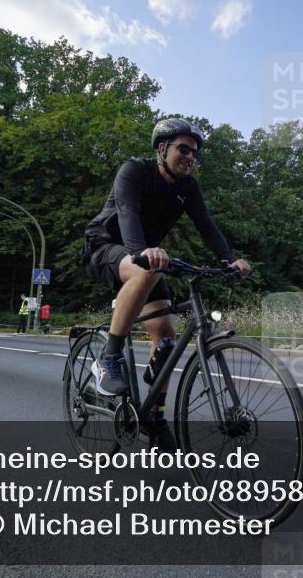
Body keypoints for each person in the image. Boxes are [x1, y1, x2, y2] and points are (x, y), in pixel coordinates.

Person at [81, 118, 251, 449]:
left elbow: (206, 226)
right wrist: (140, 252)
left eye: (195, 152)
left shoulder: (188, 188)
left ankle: (154, 419)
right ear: (162, 149)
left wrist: (229, 261)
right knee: (146, 271)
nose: (191, 156)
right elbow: (128, 213)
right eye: (183, 149)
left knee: (167, 340)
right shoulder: (134, 171)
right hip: (104, 247)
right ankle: (109, 357)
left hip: (147, 262)